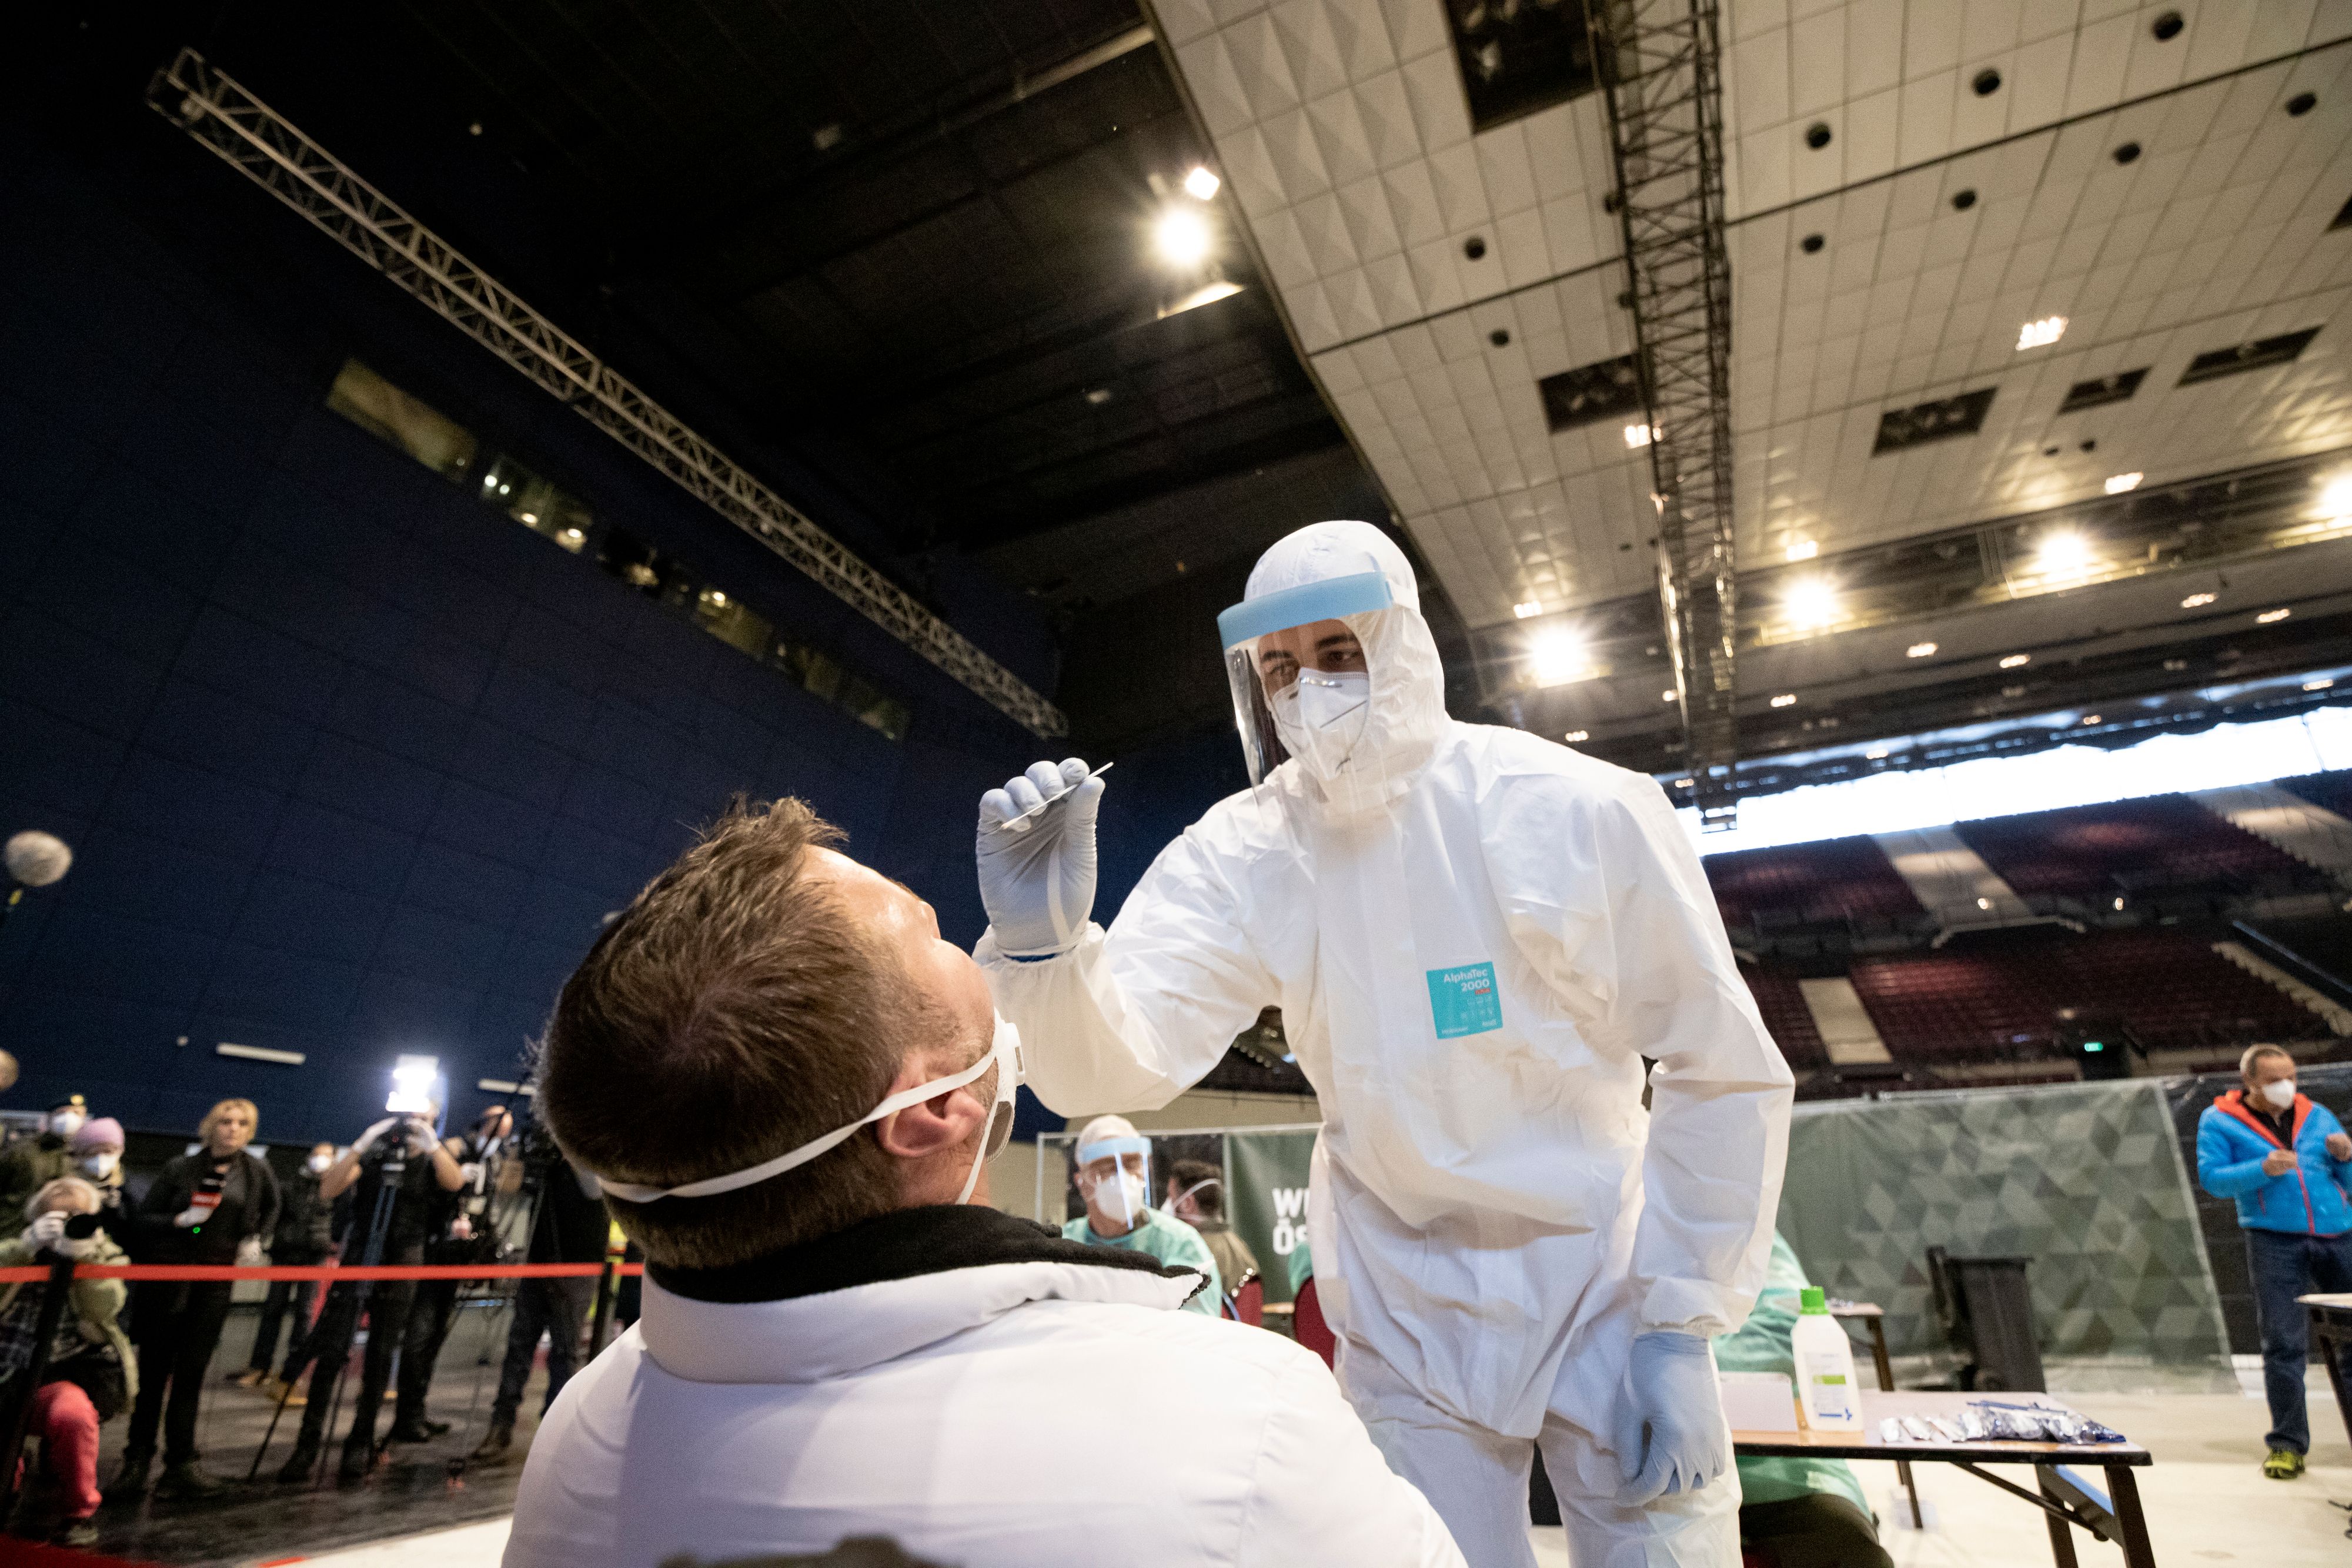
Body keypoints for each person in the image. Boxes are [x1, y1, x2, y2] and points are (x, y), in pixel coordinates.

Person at [977, 520, 1794, 1568]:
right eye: (1278, 667)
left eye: (1336, 652)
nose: (1306, 689)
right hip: (1405, 1301)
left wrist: (1680, 1322)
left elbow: (1717, 1060)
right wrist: (1045, 953)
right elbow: (1116, 1066)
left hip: (1606, 1281)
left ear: (1402, 642)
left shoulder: (1570, 807)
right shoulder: (1251, 847)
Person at [503, 798, 1466, 1568]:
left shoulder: (585, 1438)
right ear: (933, 1110)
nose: (970, 947)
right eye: (931, 936)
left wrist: (1055, 965)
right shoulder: (1239, 1420)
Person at [278, 1105, 465, 1483]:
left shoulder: (433, 1158)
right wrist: (362, 1143)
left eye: (423, 1117)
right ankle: (306, 1445)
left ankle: (360, 1442)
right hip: (362, 1251)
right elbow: (329, 1189)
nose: (412, 1123)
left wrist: (431, 1145)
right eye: (408, 1115)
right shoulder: (376, 1154)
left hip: (405, 1255)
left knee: (381, 1353)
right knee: (332, 1350)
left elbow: (454, 1182)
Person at [2197, 1044, 2352, 1480]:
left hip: (2339, 1234)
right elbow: (2213, 1179)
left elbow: (2348, 1181)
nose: (2288, 1085)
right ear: (2250, 1082)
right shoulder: (2219, 1119)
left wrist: (2347, 1158)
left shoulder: (2317, 1114)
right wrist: (2261, 1168)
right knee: (2284, 1345)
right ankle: (2287, 1445)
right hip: (2274, 1239)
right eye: (2275, 1079)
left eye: (2292, 1075)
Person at [115, 1097, 280, 1500]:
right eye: (226, 1120)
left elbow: (273, 1210)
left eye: (243, 1123)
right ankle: (136, 1462)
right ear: (211, 1125)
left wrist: (256, 1239)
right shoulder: (180, 1167)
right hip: (168, 1279)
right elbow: (142, 1219)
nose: (234, 1128)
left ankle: (182, 1463)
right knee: (152, 1375)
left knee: (191, 1374)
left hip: (214, 1283)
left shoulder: (256, 1172)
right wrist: (179, 1222)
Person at [1713, 1233, 1887, 1567]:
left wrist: (1680, 1361)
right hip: (1638, 1490)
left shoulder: (1741, 1226)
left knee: (1849, 1552)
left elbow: (1788, 1337)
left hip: (1779, 1476)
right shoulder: (1605, 1218)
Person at [0, 1176, 138, 1548]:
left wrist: (85, 1256)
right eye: (56, 1215)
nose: (66, 1221)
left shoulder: (107, 1255)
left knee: (72, 1416)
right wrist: (24, 1247)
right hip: (6, 1368)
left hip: (66, 1369)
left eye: (77, 1215)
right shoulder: (16, 1245)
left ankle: (78, 1510)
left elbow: (105, 1307)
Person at [468, 1131, 609, 1464]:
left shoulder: (595, 1147)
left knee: (565, 1351)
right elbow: (507, 1190)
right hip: (538, 1258)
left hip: (578, 1262)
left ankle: (557, 1431)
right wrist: (518, 1155)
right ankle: (500, 1425)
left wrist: (569, 1145)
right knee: (519, 1345)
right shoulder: (545, 1153)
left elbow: (594, 1191)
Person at [390, 1104, 514, 1443]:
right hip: (435, 1253)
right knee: (421, 1333)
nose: (503, 1130)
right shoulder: (456, 1148)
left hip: (460, 1256)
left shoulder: (494, 1160)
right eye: (497, 1124)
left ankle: (417, 1410)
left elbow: (496, 1196)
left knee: (434, 1337)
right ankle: (408, 1415)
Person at [1058, 1115, 1220, 1313]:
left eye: (1133, 1164)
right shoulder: (1063, 1246)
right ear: (1082, 1183)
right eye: (1108, 1166)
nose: (1123, 1177)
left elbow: (1199, 1330)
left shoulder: (1179, 1245)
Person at [238, 1141, 338, 1398]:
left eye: (326, 1157)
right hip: (285, 1254)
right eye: (316, 1155)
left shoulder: (336, 1189)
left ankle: (293, 1372)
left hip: (315, 1257)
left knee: (304, 1314)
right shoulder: (291, 1185)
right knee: (272, 1310)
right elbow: (275, 1212)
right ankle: (260, 1367)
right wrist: (259, 1238)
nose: (320, 1160)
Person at [1167, 1156, 1261, 1299]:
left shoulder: (1191, 1252)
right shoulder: (1239, 1246)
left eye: (1170, 1197)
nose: (1167, 1206)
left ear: (1188, 1203)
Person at [0, 1096, 91, 1221]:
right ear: (49, 1118)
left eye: (76, 1113)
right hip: (14, 1228)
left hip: (58, 1231)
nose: (68, 1118)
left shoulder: (84, 1156)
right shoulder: (23, 1150)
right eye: (62, 1112)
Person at [68, 1116, 129, 1245]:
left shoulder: (128, 1187)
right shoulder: (65, 1187)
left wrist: (116, 1210)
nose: (101, 1158)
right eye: (93, 1153)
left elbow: (133, 1232)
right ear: (80, 1156)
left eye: (108, 1151)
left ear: (119, 1152)